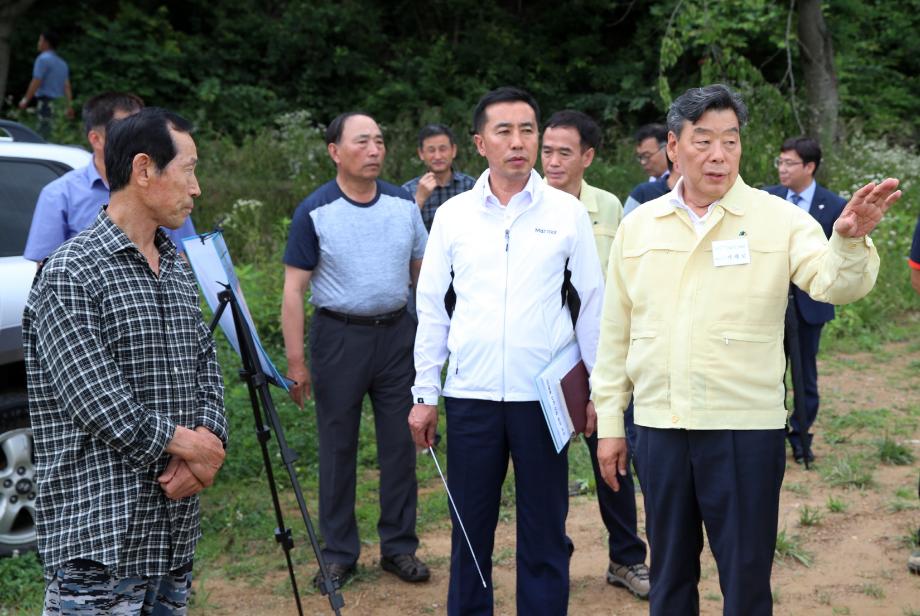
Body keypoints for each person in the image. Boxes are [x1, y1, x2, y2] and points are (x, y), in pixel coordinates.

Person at [592, 84, 900, 616]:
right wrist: (613, 424)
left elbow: (832, 283)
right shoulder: (639, 225)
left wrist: (847, 241)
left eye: (730, 141)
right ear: (673, 145)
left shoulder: (776, 218)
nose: (718, 154)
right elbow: (616, 329)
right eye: (704, 140)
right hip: (660, 426)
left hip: (742, 428)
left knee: (746, 577)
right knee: (667, 574)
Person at [22, 107, 228, 614]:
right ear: (143, 170)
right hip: (100, 536)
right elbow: (96, 400)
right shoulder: (72, 272)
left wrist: (211, 443)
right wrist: (192, 450)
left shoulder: (175, 264)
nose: (196, 188)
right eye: (189, 169)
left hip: (171, 532)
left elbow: (207, 366)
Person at [408, 87, 604, 615]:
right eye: (504, 131)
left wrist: (599, 395)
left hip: (543, 397)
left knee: (544, 528)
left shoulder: (566, 213)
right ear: (479, 142)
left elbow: (591, 306)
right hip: (470, 396)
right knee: (470, 529)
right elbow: (432, 309)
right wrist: (425, 391)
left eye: (527, 130)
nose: (518, 142)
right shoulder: (454, 216)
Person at [281, 111, 430, 588]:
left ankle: (399, 547)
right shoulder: (315, 210)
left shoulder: (403, 204)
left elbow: (421, 276)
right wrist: (296, 363)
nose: (374, 150)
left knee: (400, 445)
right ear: (335, 151)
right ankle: (339, 552)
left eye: (380, 141)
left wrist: (430, 342)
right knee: (338, 446)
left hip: (396, 336)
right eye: (362, 141)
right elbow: (292, 290)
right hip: (339, 337)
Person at [540, 109, 649, 598]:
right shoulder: (525, 201)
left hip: (602, 357)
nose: (554, 161)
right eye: (548, 151)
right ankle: (550, 554)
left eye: (565, 152)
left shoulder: (610, 208)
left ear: (588, 156)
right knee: (546, 463)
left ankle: (626, 558)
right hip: (543, 362)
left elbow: (625, 284)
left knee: (612, 457)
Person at [24, 92, 197, 264]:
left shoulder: (164, 190)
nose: (138, 137)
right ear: (96, 139)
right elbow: (47, 268)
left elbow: (182, 259)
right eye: (124, 129)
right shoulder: (59, 195)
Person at [763, 136, 846, 464]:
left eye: (789, 163)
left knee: (804, 374)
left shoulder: (834, 205)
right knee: (768, 372)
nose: (782, 169)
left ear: (809, 167)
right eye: (780, 162)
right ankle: (771, 433)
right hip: (769, 302)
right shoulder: (768, 198)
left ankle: (801, 435)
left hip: (810, 304)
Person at [402, 124, 476, 231]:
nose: (437, 156)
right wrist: (419, 199)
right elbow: (401, 231)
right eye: (431, 150)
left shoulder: (470, 186)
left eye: (443, 149)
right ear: (421, 154)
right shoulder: (408, 190)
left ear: (453, 150)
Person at [18, 30, 74, 139]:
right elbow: (67, 86)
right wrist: (69, 106)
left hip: (46, 103)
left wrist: (25, 100)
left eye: (40, 40)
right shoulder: (62, 63)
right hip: (60, 105)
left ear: (46, 43)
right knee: (56, 135)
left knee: (43, 134)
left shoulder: (42, 59)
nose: (38, 43)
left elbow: (36, 81)